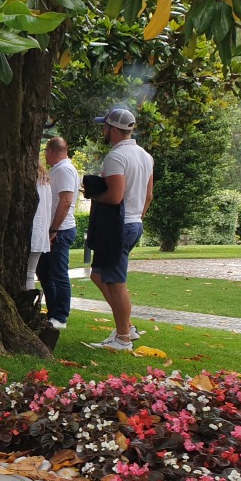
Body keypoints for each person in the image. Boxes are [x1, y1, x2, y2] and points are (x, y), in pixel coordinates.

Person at [88, 108, 154, 351]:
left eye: (105, 127)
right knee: (98, 275)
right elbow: (149, 195)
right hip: (133, 223)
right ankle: (127, 327)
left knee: (116, 282)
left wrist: (94, 194)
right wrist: (138, 217)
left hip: (119, 225)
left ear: (113, 129)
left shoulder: (116, 157)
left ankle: (124, 338)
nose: (103, 131)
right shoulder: (145, 156)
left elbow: (115, 196)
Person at [37, 137, 81, 329]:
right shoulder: (58, 169)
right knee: (44, 272)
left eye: (46, 152)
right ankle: (53, 311)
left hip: (61, 230)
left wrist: (54, 229)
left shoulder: (64, 170)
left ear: (51, 151)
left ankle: (61, 316)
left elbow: (66, 200)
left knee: (58, 273)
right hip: (54, 229)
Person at [27, 164, 53, 290]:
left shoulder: (31, 181)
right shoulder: (45, 182)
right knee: (29, 274)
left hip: (30, 231)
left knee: (27, 275)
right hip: (40, 231)